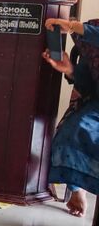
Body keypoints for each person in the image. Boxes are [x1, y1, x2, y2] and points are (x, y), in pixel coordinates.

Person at [42, 18, 99, 218]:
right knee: (72, 133)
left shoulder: (87, 31)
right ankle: (77, 189)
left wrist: (75, 27)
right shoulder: (91, 30)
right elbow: (86, 81)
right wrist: (70, 69)